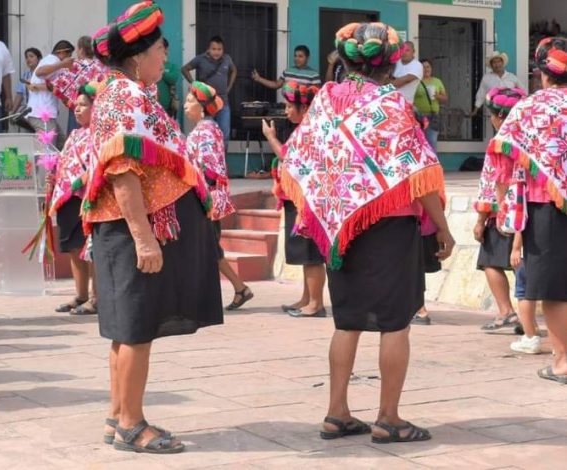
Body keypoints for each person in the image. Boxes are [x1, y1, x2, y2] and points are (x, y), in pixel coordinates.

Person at [280, 23, 453, 443]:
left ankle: (336, 412)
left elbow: (298, 158)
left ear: (345, 59)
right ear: (390, 61)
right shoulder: (392, 104)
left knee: (348, 321)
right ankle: (389, 418)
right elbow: (419, 171)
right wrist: (444, 229)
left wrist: (324, 207)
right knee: (395, 323)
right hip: (390, 224)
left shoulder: (325, 100)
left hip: (342, 224)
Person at [88, 1, 222, 453]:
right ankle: (131, 424)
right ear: (139, 55)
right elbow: (123, 168)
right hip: (130, 232)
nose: (166, 58)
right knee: (137, 330)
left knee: (126, 328)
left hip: (123, 230)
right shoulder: (124, 96)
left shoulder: (123, 93)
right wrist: (145, 239)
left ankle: (116, 415)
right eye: (162, 50)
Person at [487, 37, 567, 383]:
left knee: (553, 290)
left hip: (546, 207)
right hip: (550, 203)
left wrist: (506, 207)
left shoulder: (531, 107)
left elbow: (502, 154)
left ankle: (563, 361)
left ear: (542, 74)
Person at [185, 81, 253, 310]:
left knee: (208, 248)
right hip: (209, 198)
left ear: (202, 107)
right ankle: (239, 288)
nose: (185, 105)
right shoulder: (208, 128)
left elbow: (207, 168)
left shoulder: (204, 131)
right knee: (210, 248)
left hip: (206, 200)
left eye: (190, 100)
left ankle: (219, 294)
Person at [261, 81, 326, 318]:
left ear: (304, 107)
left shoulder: (310, 130)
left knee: (311, 254)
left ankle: (316, 303)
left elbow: (288, 158)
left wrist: (270, 137)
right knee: (304, 253)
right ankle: (307, 298)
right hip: (297, 199)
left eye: (290, 106)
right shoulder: (305, 129)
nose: (286, 111)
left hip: (306, 202)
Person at [473, 87, 527, 333]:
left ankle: (507, 312)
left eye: (492, 115)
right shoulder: (528, 137)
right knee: (522, 265)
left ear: (499, 116)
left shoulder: (501, 142)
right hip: (530, 210)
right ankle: (527, 320)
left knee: (491, 263)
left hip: (505, 213)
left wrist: (482, 218)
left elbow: (496, 182)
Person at [49, 83, 98, 316]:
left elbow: (99, 164)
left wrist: (81, 180)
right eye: (76, 106)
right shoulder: (74, 134)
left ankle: (97, 297)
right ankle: (80, 294)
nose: (77, 110)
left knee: (91, 248)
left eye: (83, 105)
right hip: (66, 197)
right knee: (72, 246)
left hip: (88, 197)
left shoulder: (100, 133)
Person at [182, 35, 237, 144]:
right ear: (208, 49)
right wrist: (195, 85)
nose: (216, 52)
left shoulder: (227, 59)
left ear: (223, 50)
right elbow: (184, 69)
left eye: (219, 49)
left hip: (223, 102)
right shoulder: (200, 59)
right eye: (214, 49)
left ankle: (222, 159)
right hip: (206, 104)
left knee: (224, 134)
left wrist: (229, 87)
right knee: (206, 134)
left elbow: (234, 70)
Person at [27, 40, 75, 147]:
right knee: (47, 152)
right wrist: (62, 64)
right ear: (61, 52)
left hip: (45, 114)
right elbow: (40, 72)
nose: (69, 59)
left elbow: (51, 86)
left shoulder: (53, 62)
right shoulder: (52, 59)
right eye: (69, 55)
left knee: (62, 145)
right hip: (42, 114)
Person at [510, 232, 542, 354]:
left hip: (529, 251)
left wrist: (516, 248)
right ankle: (559, 343)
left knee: (524, 292)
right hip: (555, 251)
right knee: (555, 295)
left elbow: (521, 222)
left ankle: (530, 338)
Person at [471, 51, 524, 117]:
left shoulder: (512, 77)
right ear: (491, 65)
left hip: (510, 113)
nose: (497, 64)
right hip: (494, 113)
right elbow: (481, 95)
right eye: (494, 62)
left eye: (499, 61)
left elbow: (523, 92)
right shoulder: (486, 78)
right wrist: (475, 111)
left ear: (502, 63)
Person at [413, 59, 448, 151]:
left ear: (431, 68)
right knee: (418, 144)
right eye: (423, 67)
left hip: (433, 117)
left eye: (428, 67)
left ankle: (433, 164)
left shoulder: (437, 81)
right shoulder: (415, 81)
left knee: (431, 143)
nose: (426, 69)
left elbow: (445, 98)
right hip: (418, 117)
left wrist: (437, 96)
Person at [252, 45, 322, 89]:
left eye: (300, 56)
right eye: (295, 56)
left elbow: (316, 93)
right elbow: (276, 85)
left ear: (307, 58)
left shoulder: (313, 74)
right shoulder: (287, 72)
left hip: (305, 110)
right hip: (289, 109)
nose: (296, 59)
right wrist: (259, 79)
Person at [157, 38, 181, 119]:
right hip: (151, 107)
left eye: (161, 47)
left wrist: (162, 70)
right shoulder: (150, 65)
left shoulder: (171, 66)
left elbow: (173, 79)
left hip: (167, 108)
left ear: (166, 49)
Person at [13, 47, 42, 113]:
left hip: (41, 110)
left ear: (39, 59)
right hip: (28, 110)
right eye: (26, 57)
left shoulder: (43, 74)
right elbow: (19, 94)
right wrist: (13, 112)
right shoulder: (25, 75)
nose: (28, 59)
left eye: (31, 56)